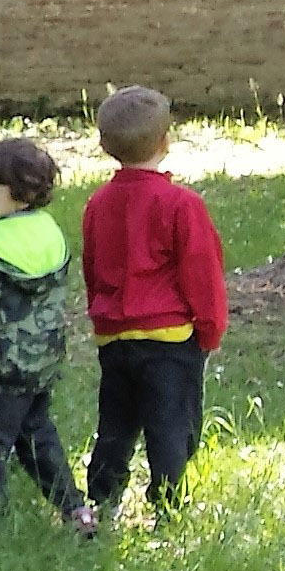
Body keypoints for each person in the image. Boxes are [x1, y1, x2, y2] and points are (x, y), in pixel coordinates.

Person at [82, 87, 229, 519]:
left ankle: (101, 501)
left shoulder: (98, 203)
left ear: (105, 145)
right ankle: (168, 505)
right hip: (170, 339)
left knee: (115, 424)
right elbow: (202, 272)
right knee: (171, 425)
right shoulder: (182, 204)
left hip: (114, 335)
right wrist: (210, 329)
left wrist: (100, 313)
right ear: (166, 140)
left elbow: (93, 266)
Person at [0, 137, 92, 531]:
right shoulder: (49, 232)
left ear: (23, 194)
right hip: (43, 360)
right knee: (38, 433)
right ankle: (75, 510)